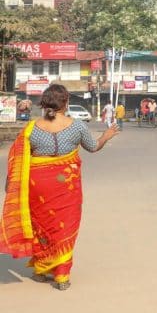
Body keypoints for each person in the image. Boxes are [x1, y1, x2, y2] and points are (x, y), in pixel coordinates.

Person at [0, 84, 120, 290]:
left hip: (37, 185)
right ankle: (62, 275)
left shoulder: (32, 127)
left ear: (44, 103)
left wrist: (10, 184)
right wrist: (106, 136)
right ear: (66, 103)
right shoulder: (77, 126)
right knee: (65, 224)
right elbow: (92, 147)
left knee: (41, 225)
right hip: (66, 185)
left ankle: (41, 269)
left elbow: (17, 160)